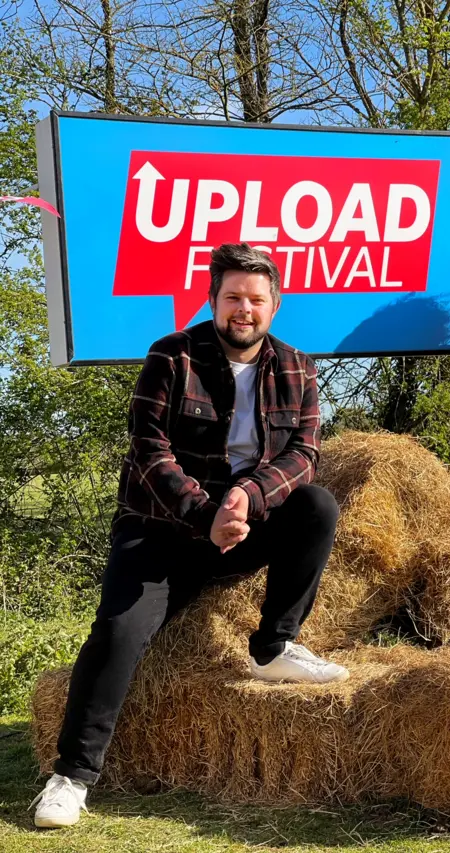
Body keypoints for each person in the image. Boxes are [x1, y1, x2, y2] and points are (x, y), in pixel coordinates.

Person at [30, 242, 347, 829]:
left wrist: (248, 496)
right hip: (160, 528)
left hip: (243, 522)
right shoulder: (172, 355)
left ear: (275, 305)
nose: (244, 309)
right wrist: (205, 515)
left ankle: (273, 648)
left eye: (256, 299)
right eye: (233, 297)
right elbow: (149, 451)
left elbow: (305, 454)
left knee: (317, 505)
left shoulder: (297, 367)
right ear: (212, 300)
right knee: (119, 632)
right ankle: (71, 777)